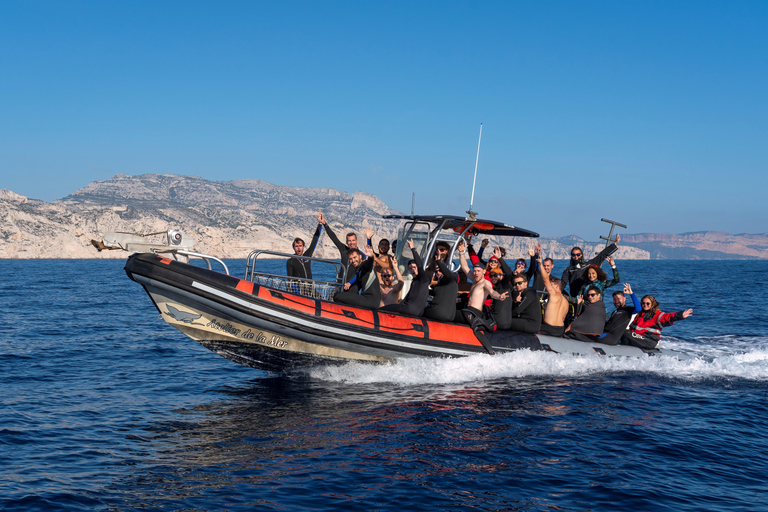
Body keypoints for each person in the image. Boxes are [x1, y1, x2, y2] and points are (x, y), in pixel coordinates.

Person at [460, 261, 510, 354]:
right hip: (468, 310)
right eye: (474, 271)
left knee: (476, 329)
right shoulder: (474, 280)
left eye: (478, 271)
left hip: (474, 312)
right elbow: (465, 267)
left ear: (484, 271)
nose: (476, 273)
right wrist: (461, 252)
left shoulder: (485, 283)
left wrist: (499, 296)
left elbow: (492, 292)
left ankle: (490, 351)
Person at [380, 239, 432, 317]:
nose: (412, 270)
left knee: (384, 308)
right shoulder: (414, 281)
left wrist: (413, 249)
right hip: (413, 310)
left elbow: (420, 266)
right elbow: (407, 297)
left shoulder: (423, 278)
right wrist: (399, 305)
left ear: (417, 268)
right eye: (410, 268)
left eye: (414, 267)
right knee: (395, 307)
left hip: (411, 309)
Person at [622, 295, 693, 349]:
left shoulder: (657, 314)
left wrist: (680, 315)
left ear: (652, 304)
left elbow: (668, 316)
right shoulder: (639, 314)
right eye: (643, 303)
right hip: (638, 339)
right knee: (623, 332)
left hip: (649, 341)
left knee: (625, 332)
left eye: (648, 303)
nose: (645, 305)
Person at [318, 213, 362, 282]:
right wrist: (324, 224)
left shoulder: (361, 255)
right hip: (340, 283)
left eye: (353, 240)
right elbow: (333, 237)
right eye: (349, 241)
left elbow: (360, 272)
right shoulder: (343, 250)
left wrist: (350, 283)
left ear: (356, 241)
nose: (351, 243)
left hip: (353, 286)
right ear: (347, 242)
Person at [538, 253, 568, 337]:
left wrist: (540, 264)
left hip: (548, 328)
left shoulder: (554, 294)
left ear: (557, 286)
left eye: (551, 285)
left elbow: (545, 280)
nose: (549, 287)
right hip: (560, 330)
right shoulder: (566, 301)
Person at [423, 256, 459, 322]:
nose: (438, 273)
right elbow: (434, 292)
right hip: (449, 316)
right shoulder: (442, 284)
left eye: (440, 270)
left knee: (420, 310)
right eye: (436, 272)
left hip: (439, 313)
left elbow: (448, 274)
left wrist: (438, 261)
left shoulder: (451, 279)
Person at [286, 214, 322, 279]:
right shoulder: (290, 261)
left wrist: (320, 224)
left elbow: (314, 240)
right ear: (294, 248)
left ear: (303, 247)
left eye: (300, 246)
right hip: (299, 288)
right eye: (296, 246)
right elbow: (290, 279)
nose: (298, 248)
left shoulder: (307, 256)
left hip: (310, 287)